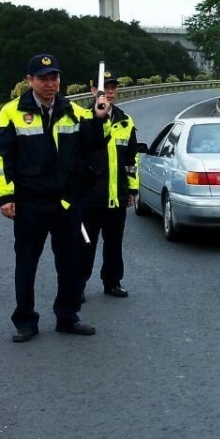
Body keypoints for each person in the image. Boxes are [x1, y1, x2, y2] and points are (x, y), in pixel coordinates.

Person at [0, 53, 111, 342]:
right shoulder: (12, 111)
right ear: (29, 80)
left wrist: (99, 116)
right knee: (26, 263)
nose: (50, 83)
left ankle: (67, 316)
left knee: (70, 262)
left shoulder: (73, 110)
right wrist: (4, 195)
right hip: (30, 202)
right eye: (43, 78)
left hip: (66, 201)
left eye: (54, 77)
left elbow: (94, 143)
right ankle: (25, 321)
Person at [79, 73, 139, 300]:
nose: (110, 92)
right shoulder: (82, 117)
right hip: (89, 195)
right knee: (85, 243)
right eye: (105, 88)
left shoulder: (125, 120)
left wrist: (131, 190)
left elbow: (131, 160)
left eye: (113, 87)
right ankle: (79, 284)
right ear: (93, 90)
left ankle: (112, 281)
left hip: (116, 194)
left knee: (114, 243)